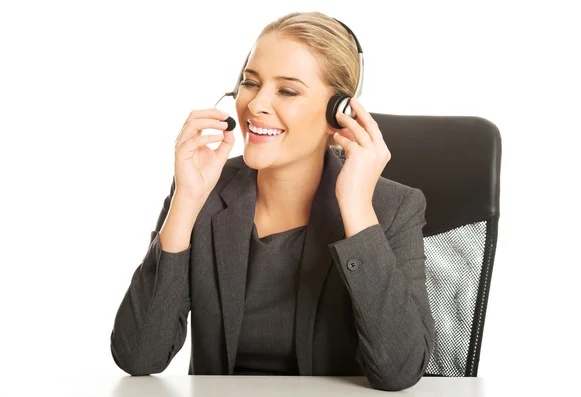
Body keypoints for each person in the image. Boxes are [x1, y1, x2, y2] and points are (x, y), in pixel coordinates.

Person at [110, 11, 435, 392]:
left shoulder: (391, 208)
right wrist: (186, 202)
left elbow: (399, 371)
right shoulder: (202, 190)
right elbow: (138, 356)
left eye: (288, 90)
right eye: (250, 83)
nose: (255, 105)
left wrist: (357, 209)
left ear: (340, 114)